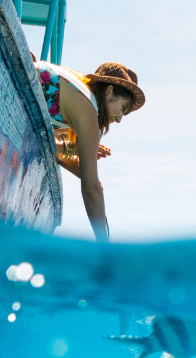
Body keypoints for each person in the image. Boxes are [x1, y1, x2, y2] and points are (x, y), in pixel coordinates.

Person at [34, 60, 145, 242]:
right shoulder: (88, 113)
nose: (118, 120)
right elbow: (90, 189)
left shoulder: (76, 90)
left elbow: (52, 151)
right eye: (122, 109)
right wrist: (103, 243)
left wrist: (76, 150)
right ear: (109, 91)